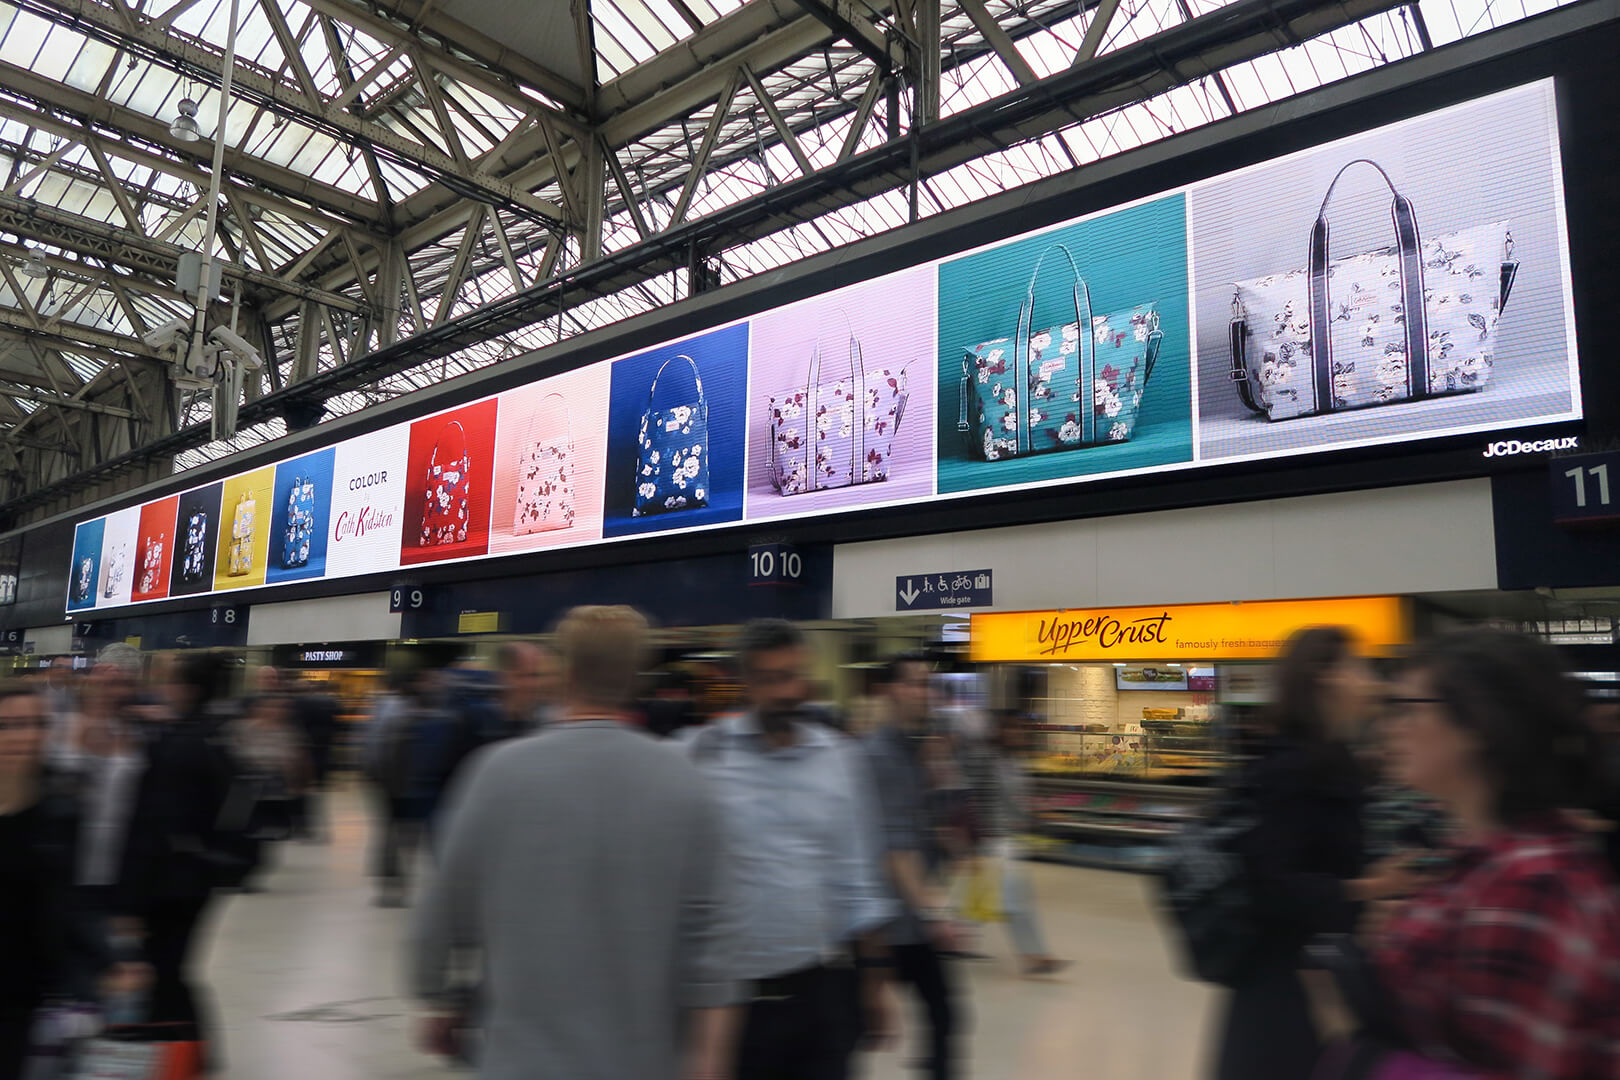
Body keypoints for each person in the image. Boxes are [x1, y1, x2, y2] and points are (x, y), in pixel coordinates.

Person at [411, 605, 740, 1080]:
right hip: (645, 1062)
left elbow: (442, 918)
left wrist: (439, 998)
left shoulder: (498, 773)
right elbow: (715, 949)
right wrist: (707, 1064)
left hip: (521, 1062)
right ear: (636, 678)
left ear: (561, 675)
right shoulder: (686, 781)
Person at [1371, 630, 1620, 1078]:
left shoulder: (1531, 887)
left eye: (1408, 708)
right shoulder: (1487, 858)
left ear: (1479, 724)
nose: (1391, 727)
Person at [683, 619, 895, 1080]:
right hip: (732, 1003)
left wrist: (876, 984)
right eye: (771, 679)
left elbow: (858, 878)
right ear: (746, 683)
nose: (787, 691)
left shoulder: (840, 758)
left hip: (820, 995)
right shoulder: (703, 755)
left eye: (794, 675)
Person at [1212, 626, 1421, 1080]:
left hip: (1320, 979)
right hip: (1281, 993)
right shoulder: (1290, 768)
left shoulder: (1332, 759)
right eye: (1360, 666)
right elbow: (1271, 886)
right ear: (1323, 676)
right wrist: (1371, 887)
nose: (1372, 680)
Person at [113, 651, 238, 1063]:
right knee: (175, 968)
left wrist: (128, 901)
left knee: (163, 972)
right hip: (199, 875)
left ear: (186, 690)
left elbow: (150, 825)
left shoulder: (177, 746)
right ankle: (196, 1053)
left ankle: (185, 1055)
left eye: (169, 682)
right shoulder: (216, 734)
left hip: (167, 881)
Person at [865, 654, 964, 1080]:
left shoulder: (915, 751)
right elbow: (895, 849)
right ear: (888, 691)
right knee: (865, 1026)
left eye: (927, 685)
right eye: (913, 684)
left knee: (944, 1016)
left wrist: (938, 774)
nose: (924, 694)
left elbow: (930, 830)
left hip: (911, 920)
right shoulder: (879, 756)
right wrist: (935, 911)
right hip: (882, 926)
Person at [0, 682, 108, 1076]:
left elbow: (72, 898)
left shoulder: (62, 808)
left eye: (34, 723)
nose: (23, 736)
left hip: (25, 988)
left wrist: (105, 961)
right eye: (7, 725)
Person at [971, 709, 1066, 977]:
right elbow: (973, 798)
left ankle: (950, 938)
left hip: (1007, 840)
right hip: (991, 841)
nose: (1017, 733)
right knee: (1017, 900)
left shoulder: (1013, 762)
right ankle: (1034, 956)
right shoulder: (986, 760)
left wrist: (1038, 815)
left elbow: (1018, 801)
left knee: (977, 901)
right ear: (998, 731)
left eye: (1020, 728)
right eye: (1011, 728)